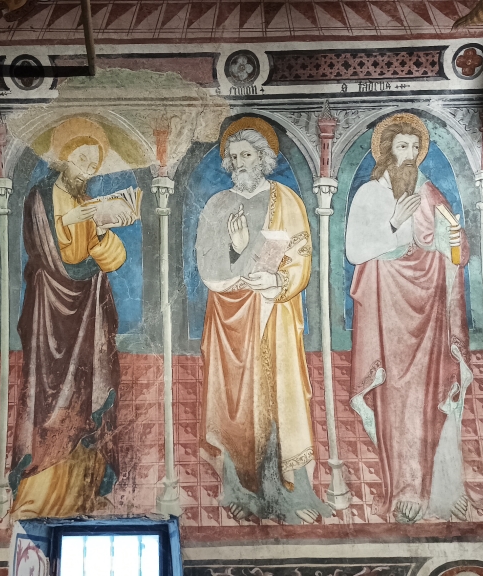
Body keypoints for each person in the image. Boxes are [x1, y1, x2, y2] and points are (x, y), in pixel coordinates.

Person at [345, 112, 481, 524]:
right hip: (388, 305)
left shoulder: (430, 193)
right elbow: (354, 250)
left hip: (430, 306)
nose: (409, 155)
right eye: (401, 146)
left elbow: (456, 250)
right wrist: (393, 222)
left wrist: (455, 242)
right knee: (396, 394)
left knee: (433, 389)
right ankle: (405, 488)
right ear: (387, 151)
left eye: (414, 148)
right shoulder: (369, 195)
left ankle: (443, 488)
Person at [195, 117, 329, 524]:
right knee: (235, 403)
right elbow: (207, 265)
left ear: (263, 159)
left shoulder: (285, 199)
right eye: (233, 156)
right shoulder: (217, 205)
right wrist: (238, 251)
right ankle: (242, 490)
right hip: (229, 319)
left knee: (279, 398)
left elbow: (301, 255)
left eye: (247, 155)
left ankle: (292, 492)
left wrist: (278, 280)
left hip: (274, 313)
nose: (239, 163)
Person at [11, 117, 134, 519]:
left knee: (86, 395)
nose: (86, 169)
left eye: (92, 164)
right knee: (50, 398)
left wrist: (104, 228)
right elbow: (50, 252)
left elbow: (106, 260)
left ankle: (84, 490)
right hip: (50, 311)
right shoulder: (40, 196)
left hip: (87, 314)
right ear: (64, 158)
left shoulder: (85, 202)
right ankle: (39, 492)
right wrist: (80, 222)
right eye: (81, 160)